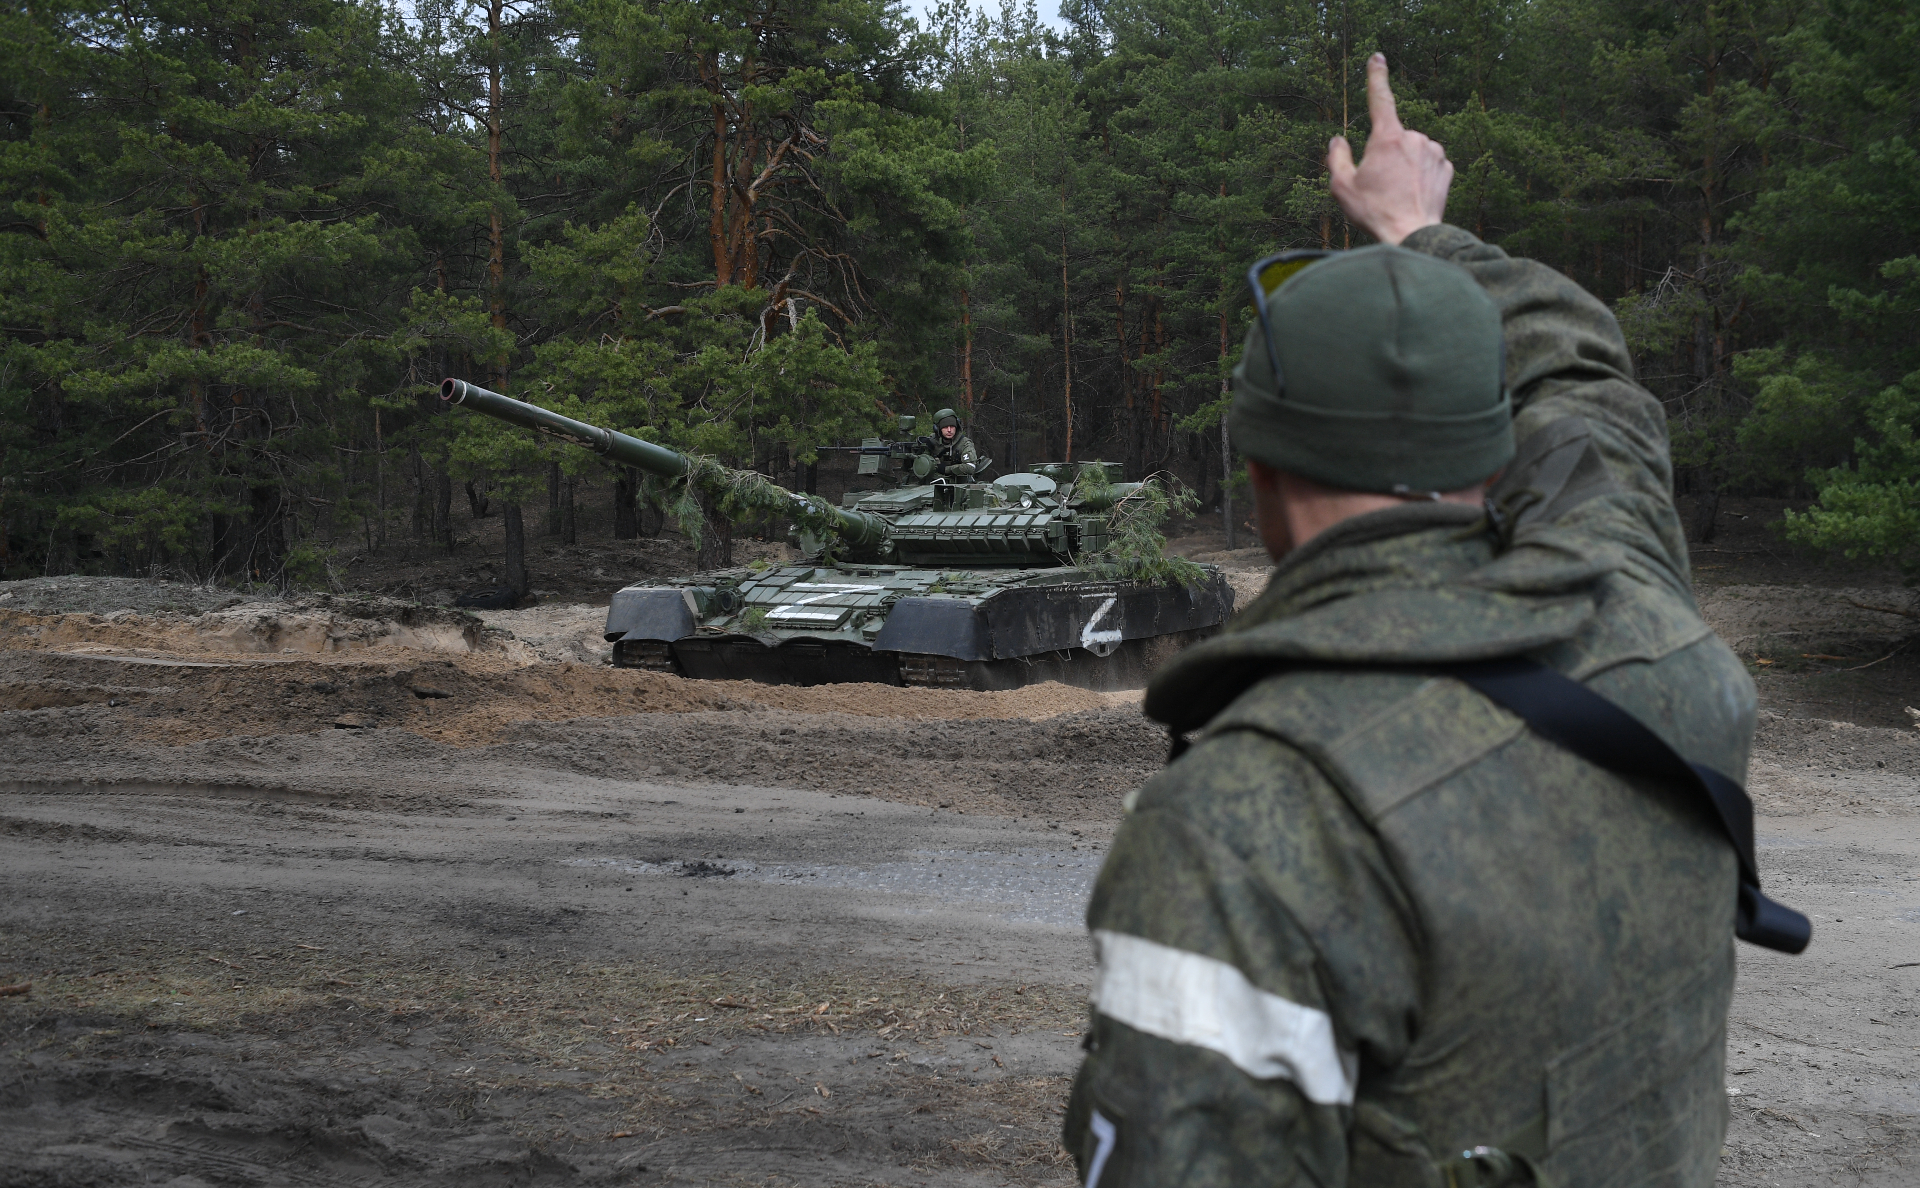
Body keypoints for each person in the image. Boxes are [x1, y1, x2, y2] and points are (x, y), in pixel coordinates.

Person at [1063, 54, 1780, 1187]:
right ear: (1498, 448)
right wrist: (1419, 233)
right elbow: (1590, 386)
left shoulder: (1245, 821)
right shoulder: (1642, 616)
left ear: (1256, 472)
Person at [930, 407, 980, 478]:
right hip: (935, 481)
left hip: (960, 483)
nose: (949, 430)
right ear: (937, 429)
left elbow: (970, 467)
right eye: (945, 427)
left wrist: (945, 469)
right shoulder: (932, 441)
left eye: (952, 426)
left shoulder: (965, 443)